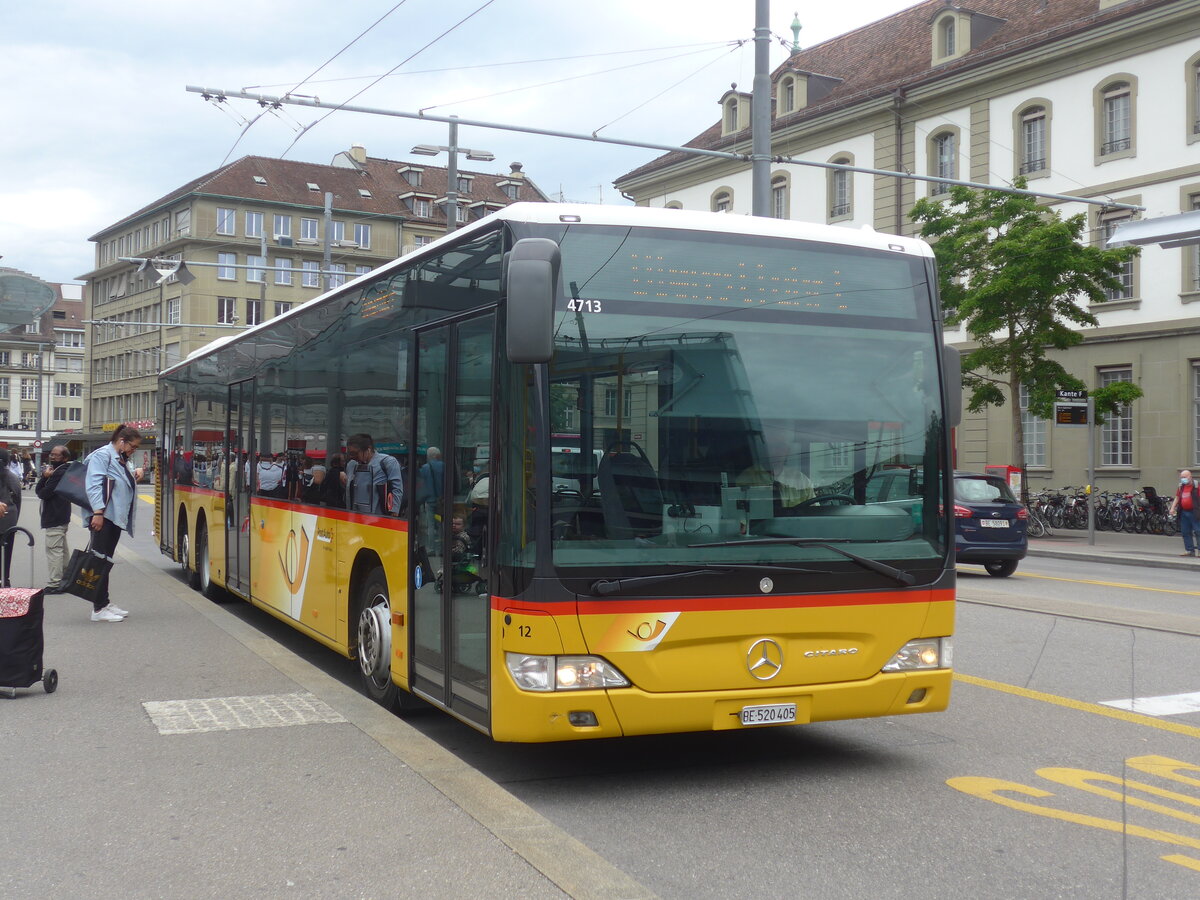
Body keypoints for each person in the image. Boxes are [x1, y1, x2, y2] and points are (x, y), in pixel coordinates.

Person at [85, 425, 144, 622]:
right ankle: (98, 608)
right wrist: (98, 512)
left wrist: (133, 474)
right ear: (121, 441)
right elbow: (93, 484)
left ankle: (104, 602)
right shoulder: (102, 456)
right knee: (99, 561)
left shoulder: (119, 458)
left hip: (113, 517)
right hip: (104, 516)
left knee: (105, 560)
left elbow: (118, 481)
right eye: (132, 447)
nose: (133, 450)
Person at [34, 444, 72, 593]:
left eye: (56, 455)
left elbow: (42, 493)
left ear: (65, 458)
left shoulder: (58, 473)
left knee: (54, 550)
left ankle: (55, 583)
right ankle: (66, 579)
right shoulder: (65, 471)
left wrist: (44, 478)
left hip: (55, 516)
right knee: (61, 549)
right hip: (61, 515)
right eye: (52, 454)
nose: (52, 457)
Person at [344, 434, 403, 515]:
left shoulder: (388, 462)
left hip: (378, 516)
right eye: (349, 454)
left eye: (354, 453)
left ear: (368, 450)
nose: (352, 457)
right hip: (355, 517)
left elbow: (396, 488)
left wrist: (394, 512)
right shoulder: (352, 465)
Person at [0, 448, 22, 586]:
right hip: (9, 520)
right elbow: (18, 500)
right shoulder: (12, 477)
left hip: (8, 519)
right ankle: (5, 579)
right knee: (7, 552)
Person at [1169, 469, 1200, 557]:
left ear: (1190, 477)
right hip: (1184, 512)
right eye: (1181, 477)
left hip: (1195, 512)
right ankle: (1189, 550)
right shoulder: (1181, 486)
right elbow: (1177, 497)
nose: (1183, 479)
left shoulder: (1197, 486)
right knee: (1185, 532)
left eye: (1184, 477)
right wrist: (1172, 508)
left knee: (1198, 531)